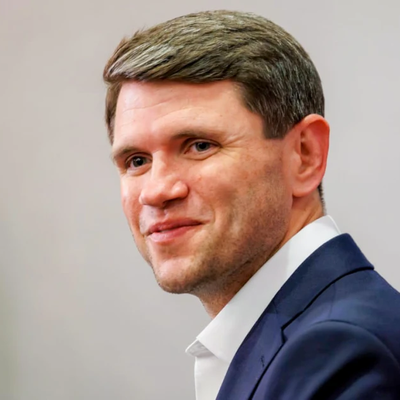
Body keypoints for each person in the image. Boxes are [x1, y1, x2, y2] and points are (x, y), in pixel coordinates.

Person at [103, 10, 400, 400]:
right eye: (137, 161)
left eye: (199, 145)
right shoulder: (309, 340)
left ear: (304, 155)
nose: (156, 191)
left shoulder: (342, 352)